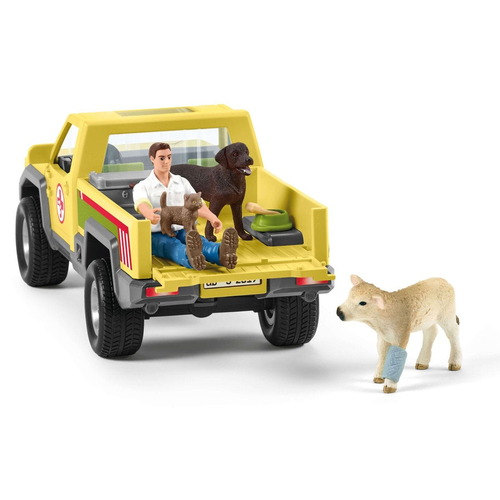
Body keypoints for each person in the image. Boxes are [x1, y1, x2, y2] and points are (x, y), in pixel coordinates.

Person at [133, 142, 238, 270]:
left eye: (169, 157)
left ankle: (221, 253)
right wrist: (149, 213)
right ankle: (190, 257)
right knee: (172, 247)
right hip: (157, 234)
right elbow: (142, 203)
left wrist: (212, 217)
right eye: (162, 158)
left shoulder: (181, 181)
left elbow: (197, 203)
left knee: (199, 241)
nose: (166, 161)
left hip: (183, 228)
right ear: (152, 159)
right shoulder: (142, 186)